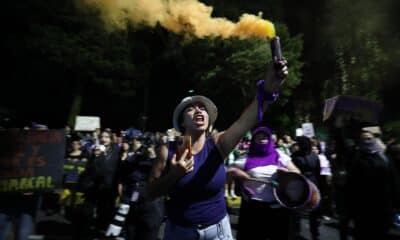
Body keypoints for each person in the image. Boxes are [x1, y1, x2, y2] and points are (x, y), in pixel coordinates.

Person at [147, 59, 288, 240]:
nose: (198, 110)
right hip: (180, 232)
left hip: (218, 231)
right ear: (182, 121)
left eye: (203, 108)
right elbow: (150, 193)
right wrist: (174, 175)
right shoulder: (167, 151)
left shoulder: (218, 143)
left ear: (208, 119)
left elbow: (247, 121)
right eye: (191, 109)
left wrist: (269, 88)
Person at [228, 126, 300, 240]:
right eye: (258, 137)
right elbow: (229, 171)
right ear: (253, 140)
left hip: (277, 209)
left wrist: (286, 173)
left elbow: (297, 173)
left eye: (265, 137)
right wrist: (238, 173)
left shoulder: (280, 155)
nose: (262, 139)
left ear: (270, 139)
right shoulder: (246, 157)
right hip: (253, 209)